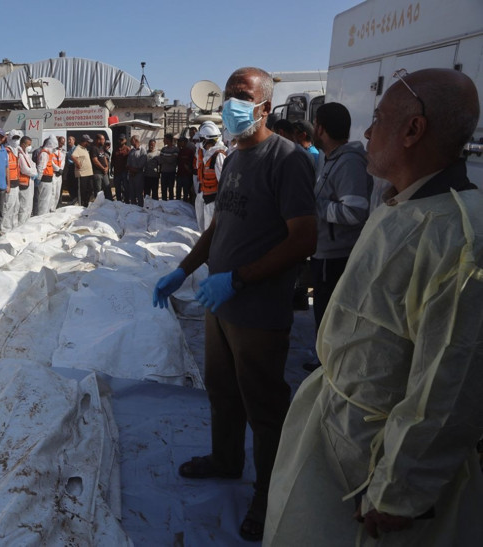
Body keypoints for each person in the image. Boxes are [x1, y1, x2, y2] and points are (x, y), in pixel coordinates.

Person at [265, 68, 483, 546]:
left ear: (412, 130)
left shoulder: (461, 239)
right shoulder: (395, 203)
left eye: (379, 119)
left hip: (380, 464)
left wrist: (400, 491)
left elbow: (450, 383)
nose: (367, 132)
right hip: (337, 432)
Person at [153, 66, 317, 541]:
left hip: (258, 312)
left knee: (264, 409)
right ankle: (226, 459)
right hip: (219, 307)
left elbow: (303, 237)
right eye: (226, 95)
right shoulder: (236, 157)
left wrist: (239, 279)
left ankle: (269, 496)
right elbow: (219, 227)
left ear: (265, 105)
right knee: (222, 392)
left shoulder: (285, 159)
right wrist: (184, 270)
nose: (230, 103)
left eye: (241, 95)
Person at [302, 102, 374, 372]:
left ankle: (330, 366)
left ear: (320, 128)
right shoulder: (330, 158)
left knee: (331, 313)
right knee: (323, 312)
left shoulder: (349, 162)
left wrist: (314, 206)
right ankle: (325, 359)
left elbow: (355, 212)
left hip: (337, 255)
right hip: (324, 252)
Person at [195, 122, 227, 232]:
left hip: (214, 201)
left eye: (202, 139)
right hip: (207, 198)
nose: (201, 143)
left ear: (208, 140)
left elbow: (223, 182)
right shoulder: (209, 155)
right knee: (206, 230)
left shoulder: (218, 156)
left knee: (213, 232)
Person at [2, 130, 22, 232]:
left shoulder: (17, 151)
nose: (16, 140)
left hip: (16, 183)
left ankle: (14, 228)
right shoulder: (7, 151)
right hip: (9, 183)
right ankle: (5, 229)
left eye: (18, 138)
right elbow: (5, 169)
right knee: (8, 207)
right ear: (9, 139)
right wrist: (7, 184)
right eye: (14, 138)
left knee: (16, 207)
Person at [16, 136, 38, 225]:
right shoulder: (20, 154)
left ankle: (26, 224)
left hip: (29, 181)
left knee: (29, 206)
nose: (30, 146)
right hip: (24, 183)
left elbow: (33, 165)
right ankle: (21, 225)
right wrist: (33, 173)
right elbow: (24, 169)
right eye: (28, 145)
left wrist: (34, 171)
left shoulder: (26, 154)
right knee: (23, 207)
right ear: (23, 144)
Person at [35, 136, 59, 215]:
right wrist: (38, 178)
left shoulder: (48, 154)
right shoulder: (44, 154)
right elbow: (41, 167)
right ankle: (41, 216)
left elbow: (51, 164)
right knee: (43, 201)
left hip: (48, 179)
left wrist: (58, 169)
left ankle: (44, 216)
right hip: (44, 180)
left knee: (47, 200)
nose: (54, 149)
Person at [70, 134, 94, 205]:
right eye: (88, 142)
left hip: (89, 173)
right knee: (82, 191)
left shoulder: (85, 148)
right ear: (84, 141)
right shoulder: (78, 148)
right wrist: (78, 164)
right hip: (82, 173)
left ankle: (86, 203)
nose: (89, 143)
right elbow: (73, 156)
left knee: (90, 189)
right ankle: (82, 204)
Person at [126, 135, 147, 207]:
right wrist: (131, 171)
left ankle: (140, 207)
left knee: (139, 192)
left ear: (136, 141)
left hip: (139, 175)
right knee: (132, 192)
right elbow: (128, 163)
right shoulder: (131, 151)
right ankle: (133, 208)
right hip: (131, 174)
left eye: (132, 140)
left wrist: (135, 170)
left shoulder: (143, 151)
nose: (130, 142)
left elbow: (142, 164)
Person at [90, 133, 111, 201]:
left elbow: (104, 157)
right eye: (103, 139)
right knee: (98, 191)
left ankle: (109, 204)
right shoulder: (94, 148)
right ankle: (98, 205)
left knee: (107, 189)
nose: (104, 141)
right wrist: (102, 168)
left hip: (104, 172)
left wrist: (107, 167)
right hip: (97, 173)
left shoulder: (101, 148)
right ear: (98, 140)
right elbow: (95, 161)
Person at [159, 133, 179, 201]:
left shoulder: (175, 149)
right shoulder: (163, 149)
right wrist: (168, 157)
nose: (163, 140)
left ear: (168, 140)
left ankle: (171, 204)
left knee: (170, 189)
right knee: (163, 189)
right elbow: (160, 160)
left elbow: (172, 160)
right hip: (164, 172)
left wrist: (165, 157)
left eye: (164, 139)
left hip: (171, 172)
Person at [112, 135, 130, 202]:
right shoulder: (115, 149)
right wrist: (112, 169)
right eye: (120, 139)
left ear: (125, 140)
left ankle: (127, 201)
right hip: (117, 172)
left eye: (122, 139)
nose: (121, 141)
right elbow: (113, 159)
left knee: (125, 188)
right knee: (117, 188)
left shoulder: (128, 149)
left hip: (125, 172)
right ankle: (119, 201)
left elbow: (130, 160)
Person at [176, 136, 194, 202]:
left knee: (185, 193)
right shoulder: (179, 151)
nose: (179, 143)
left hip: (186, 175)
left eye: (181, 142)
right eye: (179, 142)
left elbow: (192, 162)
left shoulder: (190, 151)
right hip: (179, 174)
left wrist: (189, 169)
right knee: (178, 192)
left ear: (185, 142)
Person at [52, 136, 66, 211]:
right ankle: (50, 208)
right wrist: (57, 169)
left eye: (63, 143)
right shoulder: (52, 150)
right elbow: (51, 161)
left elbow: (63, 161)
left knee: (57, 192)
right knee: (53, 192)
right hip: (53, 173)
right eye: (61, 143)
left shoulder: (62, 151)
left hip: (59, 174)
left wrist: (61, 169)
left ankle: (54, 207)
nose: (61, 145)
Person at [63, 135, 78, 204]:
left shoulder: (76, 149)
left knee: (74, 184)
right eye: (68, 140)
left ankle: (75, 199)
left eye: (70, 140)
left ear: (74, 141)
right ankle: (72, 198)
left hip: (74, 168)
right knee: (70, 184)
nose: (68, 141)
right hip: (69, 168)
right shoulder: (69, 150)